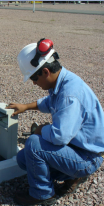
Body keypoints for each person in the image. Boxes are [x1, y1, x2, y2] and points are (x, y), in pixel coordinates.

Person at [6, 38, 104, 205]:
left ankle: (42, 195)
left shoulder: (69, 95)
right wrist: (26, 107)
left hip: (87, 156)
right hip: (77, 148)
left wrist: (41, 130)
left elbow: (60, 136)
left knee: (34, 144)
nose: (35, 84)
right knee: (23, 159)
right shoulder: (61, 81)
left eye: (34, 79)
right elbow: (48, 102)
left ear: (45, 72)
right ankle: (72, 176)